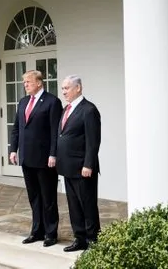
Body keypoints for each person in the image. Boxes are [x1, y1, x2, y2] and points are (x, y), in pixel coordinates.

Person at [9, 70, 63, 247]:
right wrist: (13, 149)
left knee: (48, 198)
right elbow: (16, 128)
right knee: (34, 197)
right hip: (26, 157)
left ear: (39, 83)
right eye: (24, 82)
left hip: (45, 159)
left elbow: (56, 131)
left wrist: (53, 154)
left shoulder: (52, 102)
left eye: (28, 81)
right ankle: (37, 231)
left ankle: (51, 233)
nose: (25, 84)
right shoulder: (23, 102)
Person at [56, 75, 101, 252]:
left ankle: (93, 240)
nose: (64, 91)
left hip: (83, 168)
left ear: (78, 88)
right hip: (68, 167)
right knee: (73, 205)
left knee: (87, 205)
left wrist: (88, 165)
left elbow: (93, 141)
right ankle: (79, 238)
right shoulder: (66, 109)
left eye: (67, 88)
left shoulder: (89, 110)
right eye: (63, 88)